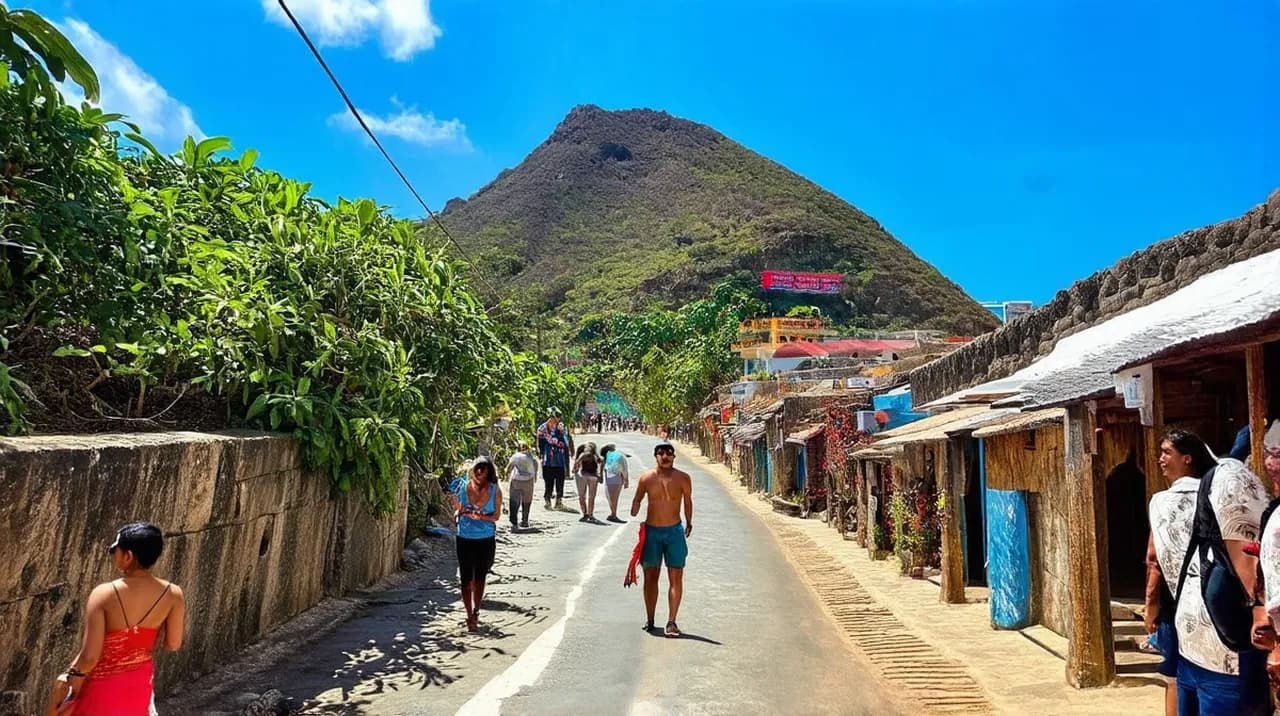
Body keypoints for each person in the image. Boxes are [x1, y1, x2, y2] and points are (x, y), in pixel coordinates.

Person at [1158, 430, 1269, 715]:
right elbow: (1251, 573)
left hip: (1191, 640)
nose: (1271, 464)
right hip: (1227, 653)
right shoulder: (1234, 479)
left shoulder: (1160, 503)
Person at [47, 523, 186, 716]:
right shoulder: (173, 594)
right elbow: (173, 643)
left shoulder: (104, 594)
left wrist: (70, 685)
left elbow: (89, 657)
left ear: (128, 556)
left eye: (115, 549)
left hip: (100, 690)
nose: (112, 554)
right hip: (138, 687)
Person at [1146, 432, 1209, 716]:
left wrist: (1150, 605)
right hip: (1211, 601)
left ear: (1187, 458)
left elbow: (1154, 559)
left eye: (1167, 452)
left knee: (1174, 680)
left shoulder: (1161, 502)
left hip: (1176, 602)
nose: (1161, 459)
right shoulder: (1214, 494)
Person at [630, 441, 693, 637]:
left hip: (674, 532)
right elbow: (637, 499)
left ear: (674, 457)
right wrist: (634, 508)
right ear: (655, 456)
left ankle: (672, 621)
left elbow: (688, 501)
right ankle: (650, 619)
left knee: (676, 576)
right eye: (661, 453)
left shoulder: (683, 478)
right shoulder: (646, 478)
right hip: (652, 533)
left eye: (669, 453)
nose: (665, 456)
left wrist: (689, 522)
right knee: (650, 578)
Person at [449, 456, 502, 632]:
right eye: (477, 469)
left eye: (483, 470)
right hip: (464, 537)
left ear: (488, 473)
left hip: (485, 538)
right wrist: (460, 511)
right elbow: (456, 509)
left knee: (480, 577)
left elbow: (496, 516)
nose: (479, 473)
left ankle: (476, 610)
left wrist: (480, 517)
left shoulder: (495, 490)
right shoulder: (461, 486)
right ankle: (469, 615)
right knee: (466, 579)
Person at [537, 410, 574, 511]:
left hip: (559, 459)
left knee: (560, 480)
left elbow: (566, 441)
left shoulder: (561, 427)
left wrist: (568, 454)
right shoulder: (542, 428)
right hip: (548, 459)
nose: (558, 419)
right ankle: (547, 500)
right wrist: (541, 454)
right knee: (548, 481)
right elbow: (540, 443)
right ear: (552, 417)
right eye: (557, 417)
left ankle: (559, 501)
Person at [505, 441, 539, 530]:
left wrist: (506, 476)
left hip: (516, 480)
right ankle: (525, 521)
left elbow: (509, 467)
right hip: (528, 481)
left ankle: (514, 522)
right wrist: (534, 478)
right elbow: (535, 468)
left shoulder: (515, 456)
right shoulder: (532, 458)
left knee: (514, 501)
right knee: (527, 501)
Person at [601, 443, 630, 523]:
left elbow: (603, 468)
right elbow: (625, 468)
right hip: (617, 477)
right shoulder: (620, 456)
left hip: (608, 477)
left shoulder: (607, 456)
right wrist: (626, 480)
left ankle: (613, 514)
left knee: (609, 497)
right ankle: (613, 515)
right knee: (615, 498)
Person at [574, 442, 602, 523]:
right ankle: (590, 514)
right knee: (591, 497)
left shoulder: (583, 455)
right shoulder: (595, 456)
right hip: (593, 477)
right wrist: (600, 476)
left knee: (581, 496)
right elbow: (601, 464)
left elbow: (577, 462)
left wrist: (575, 470)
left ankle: (585, 513)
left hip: (583, 476)